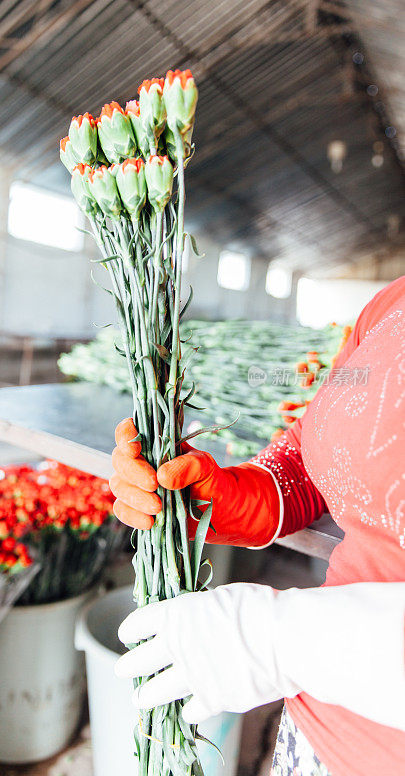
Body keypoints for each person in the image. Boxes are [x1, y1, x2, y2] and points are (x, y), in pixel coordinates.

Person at [110, 276, 405, 776]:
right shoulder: (391, 304)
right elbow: (313, 454)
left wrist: (278, 641)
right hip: (311, 735)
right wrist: (214, 497)